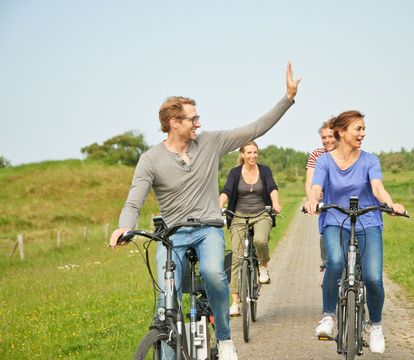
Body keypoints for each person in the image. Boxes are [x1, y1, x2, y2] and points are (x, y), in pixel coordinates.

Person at [109, 63, 301, 360]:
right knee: (165, 297)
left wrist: (287, 98)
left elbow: (255, 128)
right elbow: (134, 201)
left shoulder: (210, 142)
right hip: (172, 235)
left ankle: (224, 339)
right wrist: (125, 226)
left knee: (213, 273)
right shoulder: (150, 159)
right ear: (174, 121)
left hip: (208, 229)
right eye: (193, 118)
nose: (198, 123)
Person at [304, 110, 405, 354]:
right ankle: (328, 316)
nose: (363, 133)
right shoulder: (325, 161)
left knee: (372, 277)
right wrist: (312, 201)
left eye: (363, 129)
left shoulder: (370, 160)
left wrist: (390, 204)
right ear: (342, 131)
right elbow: (316, 186)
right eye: (358, 129)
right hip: (335, 219)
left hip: (368, 221)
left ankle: (376, 326)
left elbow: (377, 187)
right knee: (335, 263)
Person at [219, 141, 281, 316]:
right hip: (238, 216)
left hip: (261, 214)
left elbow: (272, 188)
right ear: (242, 155)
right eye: (249, 153)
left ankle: (263, 266)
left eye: (255, 152)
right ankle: (236, 302)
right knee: (236, 258)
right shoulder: (235, 173)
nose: (252, 156)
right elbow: (226, 191)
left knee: (260, 240)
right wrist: (219, 204)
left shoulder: (265, 170)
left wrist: (275, 203)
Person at [304, 119, 336, 283]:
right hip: (326, 202)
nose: (328, 140)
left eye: (330, 136)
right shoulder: (317, 154)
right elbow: (310, 181)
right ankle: (325, 267)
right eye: (324, 137)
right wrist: (312, 201)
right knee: (325, 235)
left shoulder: (348, 153)